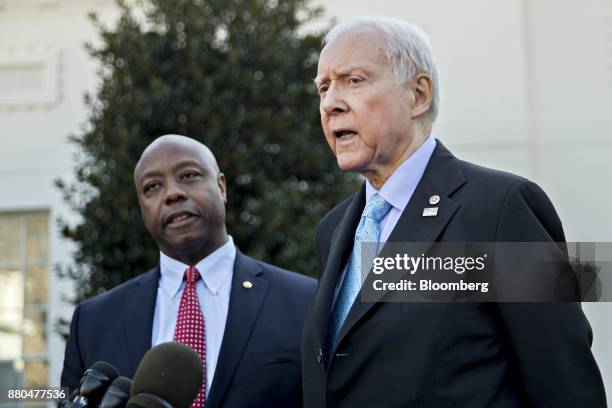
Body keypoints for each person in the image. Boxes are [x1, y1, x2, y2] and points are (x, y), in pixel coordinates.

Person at [301, 17, 606, 407]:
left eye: (354, 80)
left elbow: (564, 384)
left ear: (418, 94)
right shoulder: (333, 229)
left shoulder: (501, 208)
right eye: (323, 88)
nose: (330, 103)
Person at [62, 134, 316, 408]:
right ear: (142, 207)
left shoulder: (305, 301)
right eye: (153, 187)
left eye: (189, 175)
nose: (172, 193)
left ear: (221, 187)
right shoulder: (93, 322)